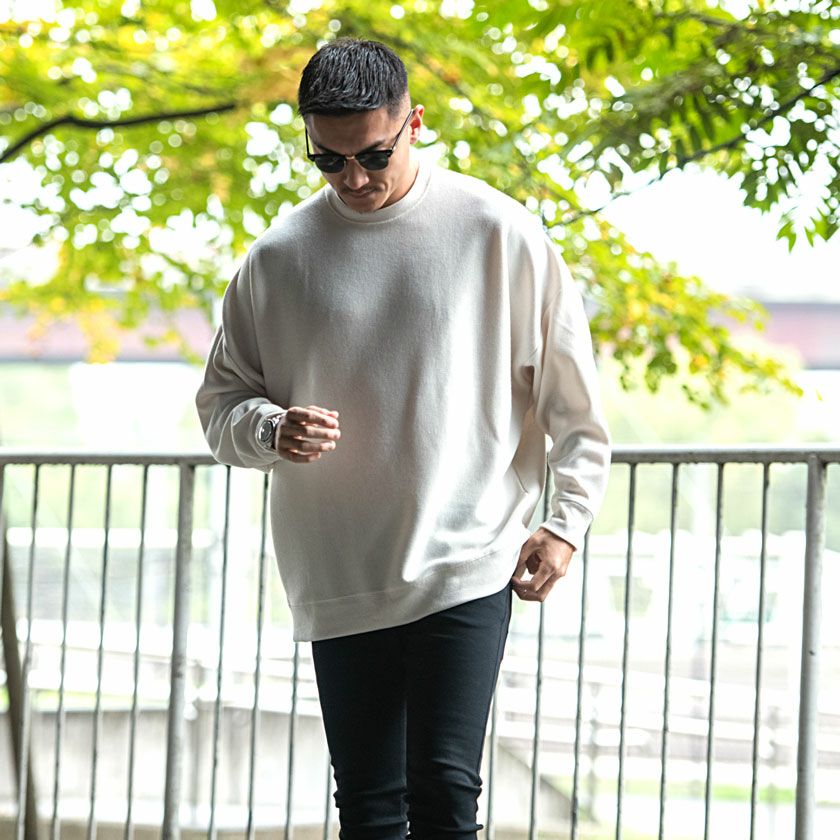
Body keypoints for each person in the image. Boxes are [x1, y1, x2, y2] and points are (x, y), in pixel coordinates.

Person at [196, 37, 610, 840]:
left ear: (414, 123)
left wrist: (565, 524)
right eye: (329, 160)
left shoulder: (499, 232)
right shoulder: (277, 259)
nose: (353, 178)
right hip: (339, 571)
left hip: (468, 556)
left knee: (446, 793)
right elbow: (221, 408)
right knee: (367, 806)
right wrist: (272, 428)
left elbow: (575, 408)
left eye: (373, 155)